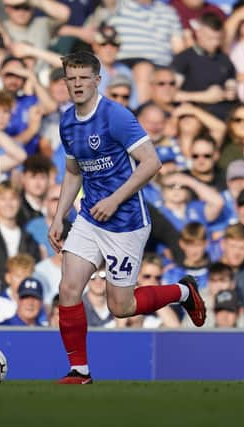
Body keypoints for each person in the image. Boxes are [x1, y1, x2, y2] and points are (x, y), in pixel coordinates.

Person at [48, 51, 205, 384]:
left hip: (126, 222)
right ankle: (80, 370)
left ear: (96, 80)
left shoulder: (116, 117)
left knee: (121, 306)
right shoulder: (66, 122)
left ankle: (183, 292)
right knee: (69, 288)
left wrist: (115, 199)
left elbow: (151, 162)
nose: (77, 85)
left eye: (83, 78)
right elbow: (74, 172)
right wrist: (59, 215)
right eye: (71, 79)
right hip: (90, 218)